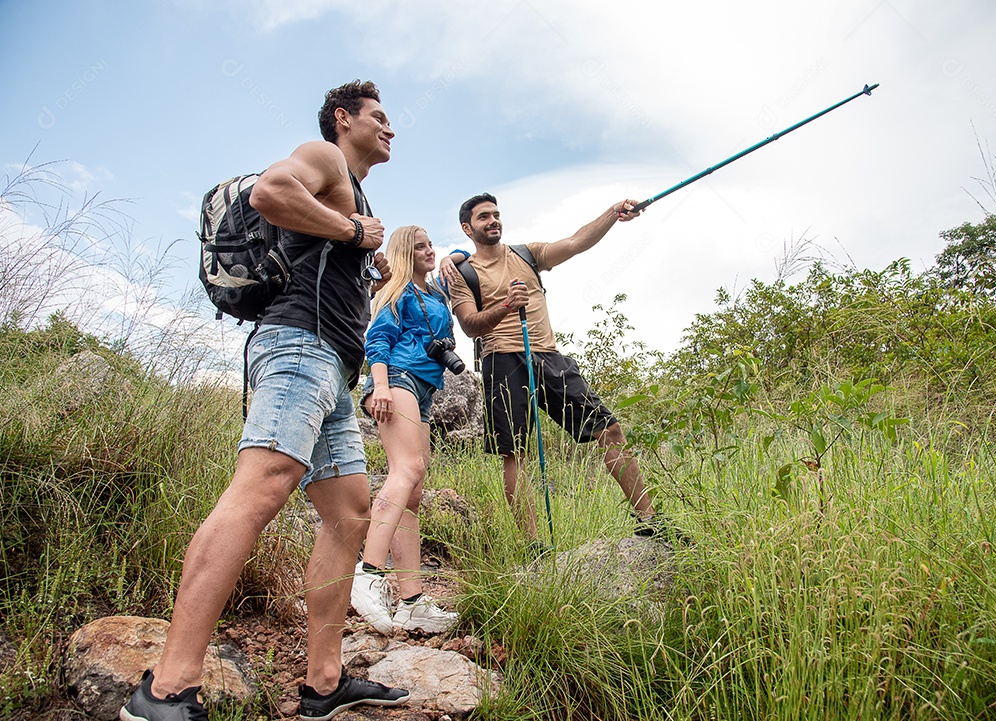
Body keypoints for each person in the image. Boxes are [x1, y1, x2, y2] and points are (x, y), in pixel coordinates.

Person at [121, 81, 411, 721]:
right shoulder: (324, 157)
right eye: (379, 118)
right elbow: (270, 193)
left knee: (349, 515)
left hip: (333, 366)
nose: (391, 129)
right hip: (295, 348)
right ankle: (163, 691)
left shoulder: (355, 191)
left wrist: (368, 262)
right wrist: (352, 230)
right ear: (344, 121)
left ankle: (323, 683)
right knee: (262, 487)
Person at [443, 193, 679, 548]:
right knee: (515, 452)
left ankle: (649, 520)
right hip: (503, 360)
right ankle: (534, 545)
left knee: (609, 428)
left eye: (496, 215)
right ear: (468, 227)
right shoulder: (463, 272)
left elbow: (575, 243)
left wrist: (613, 213)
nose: (493, 221)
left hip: (549, 356)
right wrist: (507, 305)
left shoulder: (527, 253)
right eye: (483, 218)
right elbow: (470, 326)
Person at [349, 225, 461, 636]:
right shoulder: (395, 291)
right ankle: (368, 573)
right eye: (420, 247)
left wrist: (456, 255)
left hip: (425, 388)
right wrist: (379, 386)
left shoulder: (434, 293)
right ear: (403, 253)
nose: (429, 251)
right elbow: (376, 341)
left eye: (431, 244)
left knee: (412, 493)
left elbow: (464, 253)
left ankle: (411, 602)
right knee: (407, 469)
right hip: (397, 378)